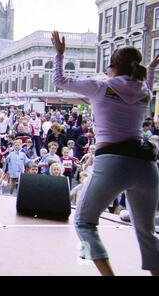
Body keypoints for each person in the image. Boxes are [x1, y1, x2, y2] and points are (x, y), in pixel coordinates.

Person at [52, 31, 159, 276]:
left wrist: (60, 55)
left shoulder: (101, 87)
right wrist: (150, 69)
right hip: (146, 167)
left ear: (113, 68)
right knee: (146, 232)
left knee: (83, 222)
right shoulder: (145, 93)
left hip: (113, 163)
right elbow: (145, 87)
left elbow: (59, 80)